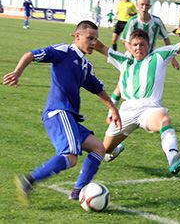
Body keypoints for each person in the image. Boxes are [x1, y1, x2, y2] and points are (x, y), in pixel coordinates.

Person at [2, 20, 122, 204]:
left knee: (98, 148)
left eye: (95, 40)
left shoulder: (85, 65)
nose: (93, 43)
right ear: (76, 36)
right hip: (58, 112)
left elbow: (97, 88)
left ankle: (77, 191)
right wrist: (17, 73)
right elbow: (30, 55)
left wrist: (112, 108)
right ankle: (29, 180)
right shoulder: (63, 51)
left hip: (69, 117)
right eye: (89, 38)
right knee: (70, 157)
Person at [93, 26, 180, 175]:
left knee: (164, 120)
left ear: (148, 46)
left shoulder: (159, 55)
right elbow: (100, 47)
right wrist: (81, 37)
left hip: (150, 109)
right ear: (129, 46)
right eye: (135, 45)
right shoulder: (123, 61)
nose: (138, 48)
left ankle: (174, 158)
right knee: (103, 150)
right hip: (126, 112)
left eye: (142, 44)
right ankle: (114, 151)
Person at [107, 0, 180, 122]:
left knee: (139, 87)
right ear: (137, 6)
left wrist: (172, 58)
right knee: (121, 85)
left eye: (147, 5)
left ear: (150, 6)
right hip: (132, 58)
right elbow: (125, 41)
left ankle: (140, 114)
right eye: (142, 5)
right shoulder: (133, 21)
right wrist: (135, 54)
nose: (144, 7)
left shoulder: (157, 22)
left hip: (149, 60)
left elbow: (166, 38)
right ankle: (111, 115)